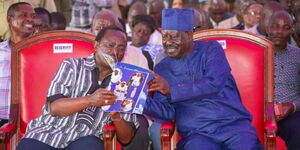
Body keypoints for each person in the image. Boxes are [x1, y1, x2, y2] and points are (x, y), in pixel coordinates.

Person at [143, 8, 263, 150]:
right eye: (165, 36)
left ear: (189, 35)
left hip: (232, 126)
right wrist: (139, 101)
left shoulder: (211, 50)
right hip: (197, 133)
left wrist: (171, 90)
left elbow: (213, 84)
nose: (168, 42)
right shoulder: (162, 68)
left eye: (174, 37)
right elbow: (168, 111)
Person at [17, 26, 138, 150]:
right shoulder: (72, 65)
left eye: (121, 48)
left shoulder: (126, 81)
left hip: (87, 138)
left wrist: (116, 115)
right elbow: (55, 107)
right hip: (48, 132)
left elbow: (126, 139)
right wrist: (90, 100)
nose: (115, 52)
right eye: (110, 45)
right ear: (96, 45)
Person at [91, 10, 150, 150]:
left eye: (109, 28)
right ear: (91, 29)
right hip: (90, 110)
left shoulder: (136, 55)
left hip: (127, 109)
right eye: (99, 28)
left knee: (138, 124)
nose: (103, 33)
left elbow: (143, 93)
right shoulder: (80, 51)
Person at [266, 10, 300, 150]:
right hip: (257, 112)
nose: (279, 31)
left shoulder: (298, 55)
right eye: (275, 26)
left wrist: (292, 106)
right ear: (268, 28)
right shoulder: (254, 51)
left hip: (289, 115)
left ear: (291, 31)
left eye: (286, 28)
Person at [0, 2, 35, 126]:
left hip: (32, 119)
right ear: (10, 19)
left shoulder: (41, 50)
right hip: (2, 117)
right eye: (23, 15)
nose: (30, 19)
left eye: (33, 16)